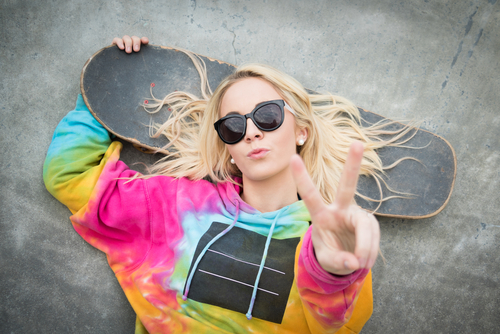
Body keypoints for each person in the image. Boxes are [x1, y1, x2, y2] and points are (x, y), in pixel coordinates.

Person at [44, 35, 384, 334]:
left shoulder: (331, 238)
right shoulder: (175, 207)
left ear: (301, 131)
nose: (252, 132)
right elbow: (69, 174)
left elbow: (338, 326)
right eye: (234, 126)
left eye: (268, 115)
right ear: (229, 147)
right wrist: (108, 86)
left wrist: (330, 276)